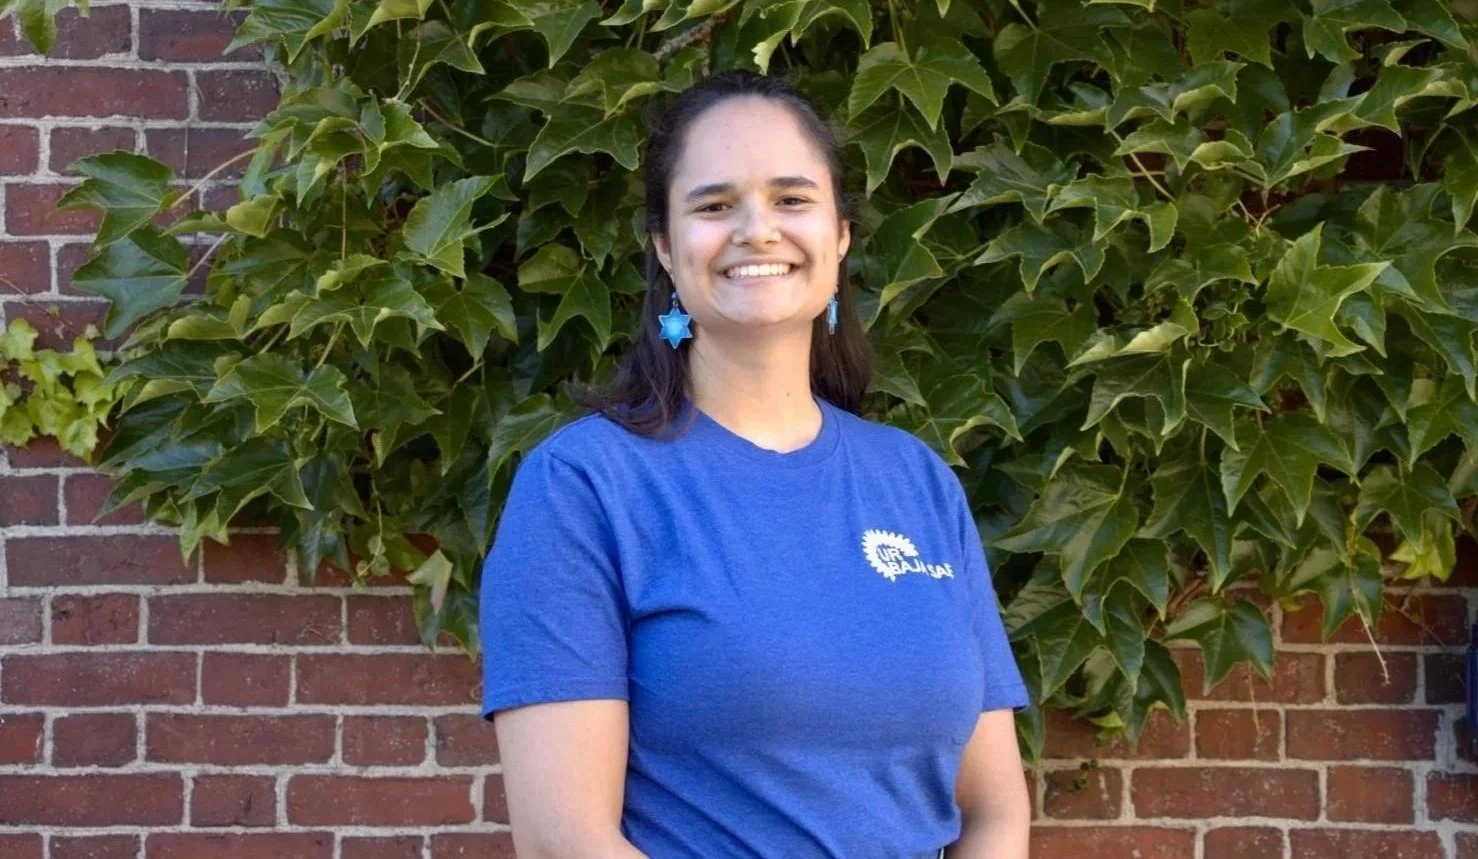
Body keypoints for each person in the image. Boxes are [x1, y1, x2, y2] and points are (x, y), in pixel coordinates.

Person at [480, 68, 1031, 859]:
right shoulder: (583, 488)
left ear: (840, 235)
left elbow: (994, 810)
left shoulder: (916, 483)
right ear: (667, 250)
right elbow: (565, 840)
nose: (756, 230)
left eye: (791, 198)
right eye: (714, 205)